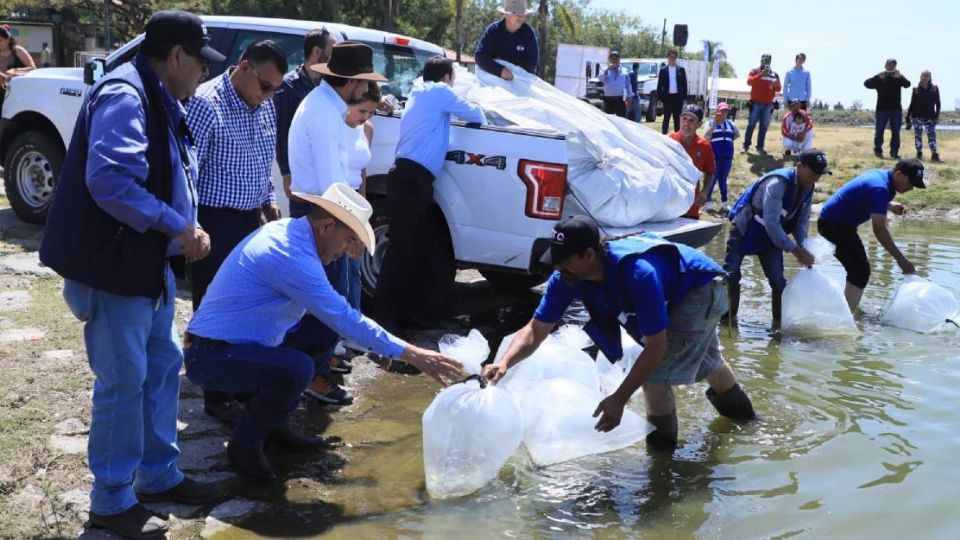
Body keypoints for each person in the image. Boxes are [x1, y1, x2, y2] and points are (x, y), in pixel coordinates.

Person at [38, 11, 223, 539]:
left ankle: (158, 475)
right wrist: (178, 226)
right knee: (123, 384)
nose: (202, 76)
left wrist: (187, 227)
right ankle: (112, 499)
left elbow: (171, 172)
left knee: (162, 366)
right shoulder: (125, 94)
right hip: (113, 267)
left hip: (145, 265)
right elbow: (112, 182)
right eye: (199, 64)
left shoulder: (157, 93)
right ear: (178, 56)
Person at [185, 183, 464, 484]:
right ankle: (244, 447)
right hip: (210, 356)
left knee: (319, 336)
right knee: (298, 367)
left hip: (234, 345)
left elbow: (339, 320)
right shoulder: (290, 254)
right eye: (347, 240)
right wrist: (415, 355)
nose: (347, 250)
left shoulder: (292, 233)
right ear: (326, 226)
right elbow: (345, 317)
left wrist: (378, 346)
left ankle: (274, 426)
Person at [482, 216, 756, 453]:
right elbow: (535, 329)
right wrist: (504, 362)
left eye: (563, 262)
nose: (556, 269)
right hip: (679, 289)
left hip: (701, 289)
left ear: (589, 255)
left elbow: (655, 348)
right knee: (704, 358)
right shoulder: (566, 278)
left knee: (655, 377)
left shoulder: (637, 274)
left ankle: (661, 467)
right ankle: (747, 424)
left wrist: (619, 399)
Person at [185, 40, 286, 422]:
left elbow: (264, 158)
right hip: (214, 219)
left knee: (248, 304)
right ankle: (217, 394)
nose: (269, 95)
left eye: (275, 87)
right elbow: (188, 171)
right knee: (214, 307)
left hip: (250, 218)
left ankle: (243, 382)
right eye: (264, 85)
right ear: (244, 68)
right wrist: (190, 225)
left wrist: (269, 197)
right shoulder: (206, 103)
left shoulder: (266, 103)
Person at [372, 56, 485, 332]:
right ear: (447, 78)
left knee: (413, 248)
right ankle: (385, 317)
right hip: (413, 179)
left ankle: (404, 313)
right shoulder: (439, 92)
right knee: (402, 249)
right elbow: (476, 115)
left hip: (408, 176)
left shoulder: (419, 92)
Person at [724, 149, 830, 323]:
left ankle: (779, 326)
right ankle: (728, 320)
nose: (816, 179)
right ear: (799, 166)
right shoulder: (777, 184)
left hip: (770, 239)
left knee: (778, 282)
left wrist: (803, 245)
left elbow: (801, 221)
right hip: (745, 230)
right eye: (813, 174)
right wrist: (795, 250)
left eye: (819, 175)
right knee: (731, 275)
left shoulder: (808, 187)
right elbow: (771, 223)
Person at [817, 159, 925, 311]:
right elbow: (879, 230)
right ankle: (847, 315)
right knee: (860, 271)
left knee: (858, 269)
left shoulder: (881, 176)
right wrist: (902, 260)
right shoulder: (880, 187)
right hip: (834, 225)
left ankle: (848, 308)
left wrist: (890, 206)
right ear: (899, 174)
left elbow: (867, 195)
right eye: (911, 183)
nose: (911, 188)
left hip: (836, 223)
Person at [274, 27, 337, 215]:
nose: (334, 57)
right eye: (331, 51)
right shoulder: (289, 86)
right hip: (301, 176)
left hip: (325, 174)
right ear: (317, 51)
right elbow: (282, 132)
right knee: (302, 228)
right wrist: (287, 173)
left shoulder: (330, 84)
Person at [669, 104, 715, 220]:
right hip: (667, 207)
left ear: (699, 124)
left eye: (691, 120)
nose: (686, 124)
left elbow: (710, 172)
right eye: (684, 119)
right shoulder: (668, 140)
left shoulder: (705, 146)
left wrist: (704, 192)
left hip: (690, 209)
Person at [475, 0, 538, 80]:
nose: (521, 16)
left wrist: (503, 61)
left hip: (519, 84)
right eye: (516, 12)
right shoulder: (494, 30)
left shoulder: (528, 34)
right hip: (493, 81)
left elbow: (531, 64)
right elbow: (480, 57)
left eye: (523, 13)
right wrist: (500, 71)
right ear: (506, 14)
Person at [864, 59, 911, 159]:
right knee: (879, 130)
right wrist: (877, 77)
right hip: (882, 109)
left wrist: (901, 76)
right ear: (885, 66)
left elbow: (907, 85)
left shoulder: (898, 78)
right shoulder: (880, 78)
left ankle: (894, 153)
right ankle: (878, 151)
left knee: (896, 132)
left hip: (896, 109)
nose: (891, 67)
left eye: (893, 65)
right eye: (889, 65)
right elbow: (866, 84)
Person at [742, 54, 781, 155]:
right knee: (751, 125)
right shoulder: (754, 71)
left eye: (768, 60)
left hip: (768, 105)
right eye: (765, 60)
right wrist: (761, 75)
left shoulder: (774, 74)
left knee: (764, 126)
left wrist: (775, 84)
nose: (766, 62)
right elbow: (749, 82)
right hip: (755, 103)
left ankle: (760, 147)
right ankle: (746, 146)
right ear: (761, 60)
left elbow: (779, 88)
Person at [703, 102, 739, 212]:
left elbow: (737, 134)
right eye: (722, 110)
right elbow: (706, 137)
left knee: (723, 180)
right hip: (715, 157)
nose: (723, 113)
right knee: (712, 180)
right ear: (717, 111)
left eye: (726, 111)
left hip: (727, 157)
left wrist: (727, 141)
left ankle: (724, 203)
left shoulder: (731, 124)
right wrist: (714, 125)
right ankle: (708, 202)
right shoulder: (710, 122)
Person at [905, 70, 941, 162]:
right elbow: (912, 104)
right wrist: (907, 117)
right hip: (917, 117)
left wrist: (936, 116)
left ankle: (934, 155)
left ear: (930, 77)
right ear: (920, 77)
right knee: (918, 136)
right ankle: (919, 154)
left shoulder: (934, 89)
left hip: (930, 117)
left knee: (932, 136)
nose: (925, 77)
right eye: (923, 76)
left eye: (927, 76)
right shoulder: (915, 90)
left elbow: (938, 103)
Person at [0, 24, 36, 102]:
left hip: (17, 92)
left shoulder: (18, 51)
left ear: (8, 39)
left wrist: (15, 71)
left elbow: (33, 68)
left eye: (0, 40)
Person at [656, 49, 687, 134]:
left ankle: (678, 137)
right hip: (667, 98)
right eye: (671, 56)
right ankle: (664, 136)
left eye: (674, 57)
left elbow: (684, 85)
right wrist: (660, 98)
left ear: (676, 57)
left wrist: (684, 98)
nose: (672, 58)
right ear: (668, 57)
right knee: (666, 118)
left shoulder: (681, 70)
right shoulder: (663, 70)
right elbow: (659, 85)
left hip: (678, 98)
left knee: (677, 119)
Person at [599, 51, 632, 118]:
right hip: (608, 99)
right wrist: (607, 69)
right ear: (610, 60)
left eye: (616, 58)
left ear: (619, 59)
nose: (614, 60)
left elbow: (628, 85)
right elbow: (601, 79)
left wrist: (629, 97)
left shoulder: (624, 70)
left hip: (620, 99)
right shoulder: (604, 69)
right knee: (608, 120)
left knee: (621, 119)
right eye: (613, 59)